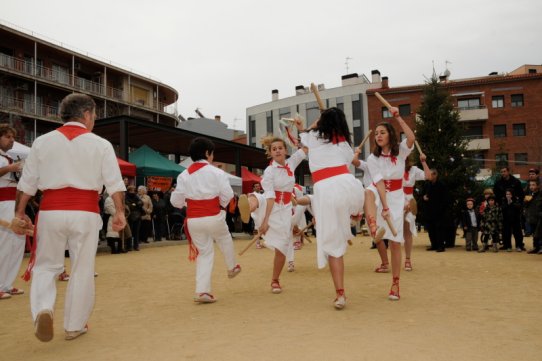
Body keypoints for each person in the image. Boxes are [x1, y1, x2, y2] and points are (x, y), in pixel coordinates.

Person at [14, 93, 126, 342]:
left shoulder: (42, 142)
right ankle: (74, 326)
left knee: (45, 265)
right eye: (94, 115)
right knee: (81, 269)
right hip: (85, 212)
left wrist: (19, 214)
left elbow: (27, 184)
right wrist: (119, 212)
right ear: (86, 114)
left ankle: (43, 307)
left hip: (51, 211)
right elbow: (114, 184)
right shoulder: (101, 144)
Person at [295, 107, 364, 309]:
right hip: (347, 184)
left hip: (325, 189)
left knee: (334, 246)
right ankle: (362, 217)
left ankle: (340, 294)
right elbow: (348, 160)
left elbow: (306, 135)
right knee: (368, 194)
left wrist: (309, 125)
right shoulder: (343, 142)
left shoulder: (312, 136)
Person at [170, 137, 241, 303]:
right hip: (213, 215)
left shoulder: (183, 175)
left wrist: (187, 202)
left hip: (193, 219)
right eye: (212, 153)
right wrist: (221, 206)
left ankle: (203, 292)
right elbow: (228, 194)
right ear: (208, 153)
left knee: (204, 253)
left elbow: (175, 202)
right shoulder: (217, 172)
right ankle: (232, 267)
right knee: (224, 238)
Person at [238, 135, 306, 295]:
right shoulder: (269, 172)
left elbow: (306, 148)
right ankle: (249, 206)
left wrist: (303, 129)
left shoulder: (292, 163)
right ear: (270, 152)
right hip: (270, 204)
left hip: (285, 210)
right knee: (257, 198)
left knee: (282, 248)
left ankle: (275, 280)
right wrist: (265, 221)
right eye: (274, 149)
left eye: (280, 148)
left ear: (285, 150)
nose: (277, 151)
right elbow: (270, 197)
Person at [365, 106, 415, 301]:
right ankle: (373, 226)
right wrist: (383, 207)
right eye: (376, 133)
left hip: (396, 196)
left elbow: (411, 138)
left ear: (390, 135)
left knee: (395, 243)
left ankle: (395, 283)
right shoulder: (372, 158)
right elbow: (378, 183)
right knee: (368, 192)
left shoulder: (401, 151)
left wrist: (398, 117)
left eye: (382, 132)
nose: (378, 135)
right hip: (379, 192)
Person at [0, 124, 26, 300]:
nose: (12, 140)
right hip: (1, 202)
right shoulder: (7, 161)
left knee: (16, 242)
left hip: (12, 202)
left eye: (13, 137)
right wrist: (10, 169)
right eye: (8, 136)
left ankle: (6, 284)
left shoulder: (9, 157)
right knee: (3, 244)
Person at [401, 153, 431, 271]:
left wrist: (423, 162)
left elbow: (428, 176)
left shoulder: (413, 169)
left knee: (407, 232)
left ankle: (408, 260)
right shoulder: (392, 167)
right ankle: (394, 260)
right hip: (395, 200)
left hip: (409, 200)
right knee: (395, 232)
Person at [423, 169, 451, 253]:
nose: (429, 176)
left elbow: (445, 198)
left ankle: (441, 246)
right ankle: (434, 245)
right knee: (431, 229)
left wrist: (442, 209)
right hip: (429, 211)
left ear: (435, 175)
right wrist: (424, 197)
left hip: (439, 211)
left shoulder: (441, 185)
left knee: (439, 229)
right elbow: (424, 194)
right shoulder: (427, 184)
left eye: (430, 175)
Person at [525, 179, 541, 254]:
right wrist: (526, 202)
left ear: (538, 186)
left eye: (533, 185)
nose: (531, 186)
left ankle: (541, 247)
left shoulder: (541, 194)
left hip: (540, 217)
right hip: (532, 217)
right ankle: (536, 247)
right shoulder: (529, 195)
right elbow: (525, 206)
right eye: (530, 185)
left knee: (540, 232)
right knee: (534, 233)